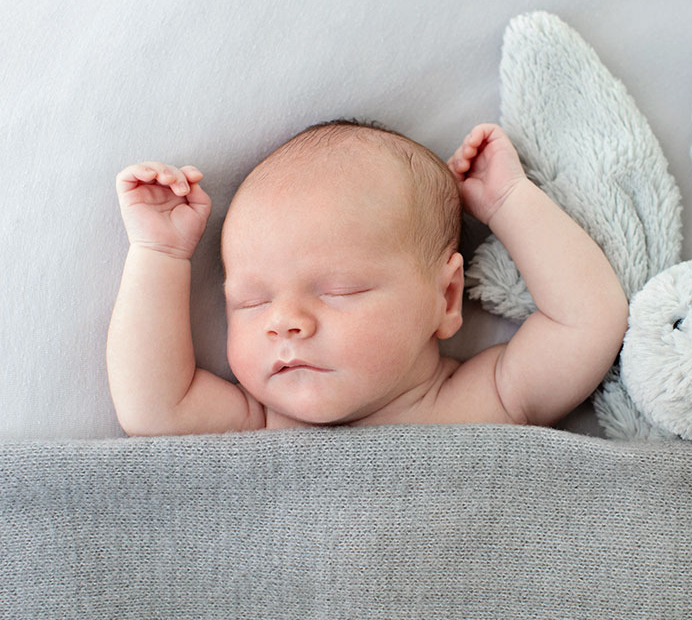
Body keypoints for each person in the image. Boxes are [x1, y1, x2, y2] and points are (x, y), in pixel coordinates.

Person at [107, 120, 628, 436]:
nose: (284, 322)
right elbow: (153, 407)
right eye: (250, 302)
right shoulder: (259, 424)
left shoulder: (487, 398)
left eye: (339, 291)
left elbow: (587, 320)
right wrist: (158, 252)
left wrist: (511, 204)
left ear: (446, 297)